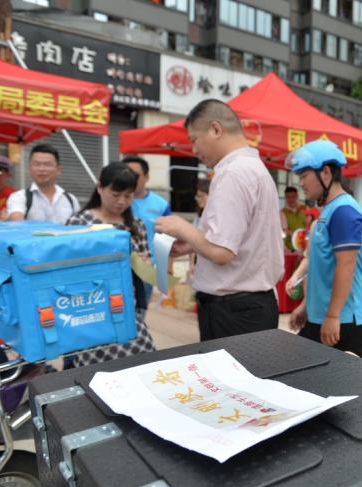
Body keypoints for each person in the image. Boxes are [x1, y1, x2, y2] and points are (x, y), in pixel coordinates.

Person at [155, 99, 283, 341]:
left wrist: (182, 228)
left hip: (233, 311)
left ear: (215, 129)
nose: (193, 150)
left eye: (194, 139)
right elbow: (239, 241)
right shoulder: (253, 167)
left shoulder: (232, 173)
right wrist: (194, 244)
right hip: (250, 306)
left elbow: (222, 252)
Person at [286, 140, 362, 359]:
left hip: (344, 322)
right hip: (323, 317)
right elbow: (320, 266)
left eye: (304, 176)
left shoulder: (344, 211)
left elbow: (346, 265)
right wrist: (307, 307)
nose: (301, 183)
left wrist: (333, 316)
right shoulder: (328, 210)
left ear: (325, 172)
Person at [66, 162, 155, 366]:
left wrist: (144, 264)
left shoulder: (135, 225)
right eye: (115, 195)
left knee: (141, 362)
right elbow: (68, 268)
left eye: (128, 195)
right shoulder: (80, 222)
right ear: (99, 188)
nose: (121, 201)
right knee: (94, 370)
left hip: (126, 307)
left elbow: (146, 269)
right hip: (90, 309)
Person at [123, 155, 172, 309]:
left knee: (140, 315)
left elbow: (167, 237)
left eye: (135, 175)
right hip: (118, 266)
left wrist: (168, 266)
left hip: (145, 268)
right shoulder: (114, 201)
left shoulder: (160, 205)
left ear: (146, 177)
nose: (130, 178)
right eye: (125, 173)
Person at [7, 144, 78, 223]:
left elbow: (78, 227)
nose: (42, 169)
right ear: (29, 169)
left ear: (58, 170)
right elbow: (18, 224)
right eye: (36, 164)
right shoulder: (19, 197)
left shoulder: (71, 199)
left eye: (47, 164)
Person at [281, 185, 306, 250]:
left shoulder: (304, 210)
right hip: (290, 249)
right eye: (288, 197)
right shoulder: (282, 213)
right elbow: (285, 230)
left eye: (293, 196)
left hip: (304, 247)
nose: (291, 199)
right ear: (285, 198)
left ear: (297, 196)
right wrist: (298, 237)